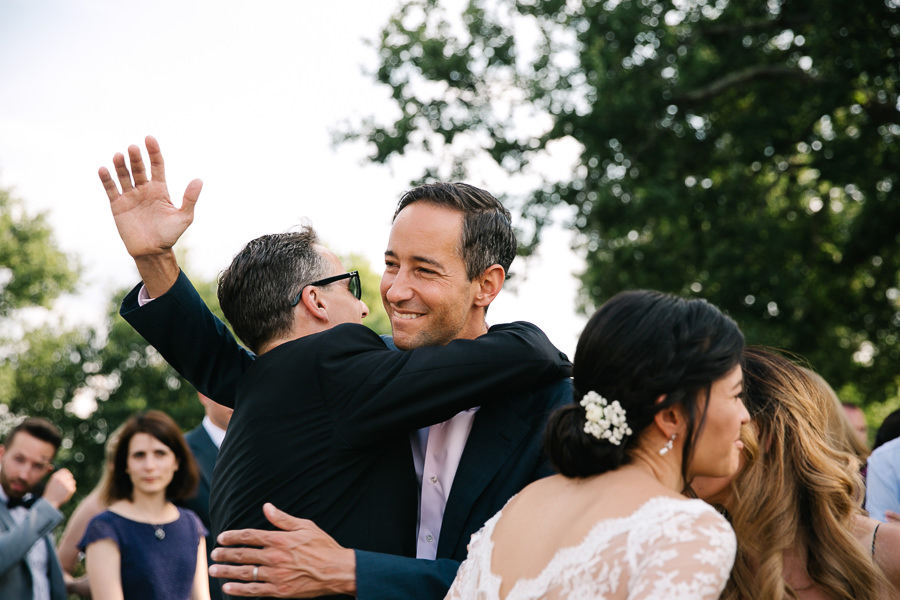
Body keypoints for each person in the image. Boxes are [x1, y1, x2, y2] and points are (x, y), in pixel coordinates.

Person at [101, 137, 572, 599]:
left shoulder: (553, 410)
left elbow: (546, 581)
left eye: (424, 270)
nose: (393, 291)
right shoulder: (349, 371)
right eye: (391, 264)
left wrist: (354, 571)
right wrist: (155, 260)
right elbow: (242, 366)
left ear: (486, 285)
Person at [441, 289, 747, 599]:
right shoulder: (687, 530)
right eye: (736, 395)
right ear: (670, 415)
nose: (745, 416)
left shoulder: (519, 506)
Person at [692, 347, 900, 599]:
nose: (674, 443)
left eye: (694, 422)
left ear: (762, 433)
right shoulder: (696, 562)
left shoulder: (887, 550)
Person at [78, 410, 209, 600]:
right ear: (126, 464)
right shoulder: (105, 528)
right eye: (139, 455)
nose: (150, 465)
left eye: (160, 454)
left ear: (176, 461)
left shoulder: (191, 524)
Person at [0, 417, 76, 600]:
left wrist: (78, 586)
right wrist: (48, 505)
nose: (24, 474)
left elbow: (38, 574)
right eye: (19, 459)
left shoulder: (35, 507)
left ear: (48, 470)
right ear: (2, 453)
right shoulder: (44, 510)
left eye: (38, 466)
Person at [56, 423, 124, 598]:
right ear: (111, 464)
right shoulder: (95, 506)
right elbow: (58, 570)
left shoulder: (173, 506)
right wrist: (78, 585)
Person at [179, 392, 232, 600]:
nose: (235, 397)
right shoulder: (177, 454)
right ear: (203, 394)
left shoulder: (270, 449)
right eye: (229, 388)